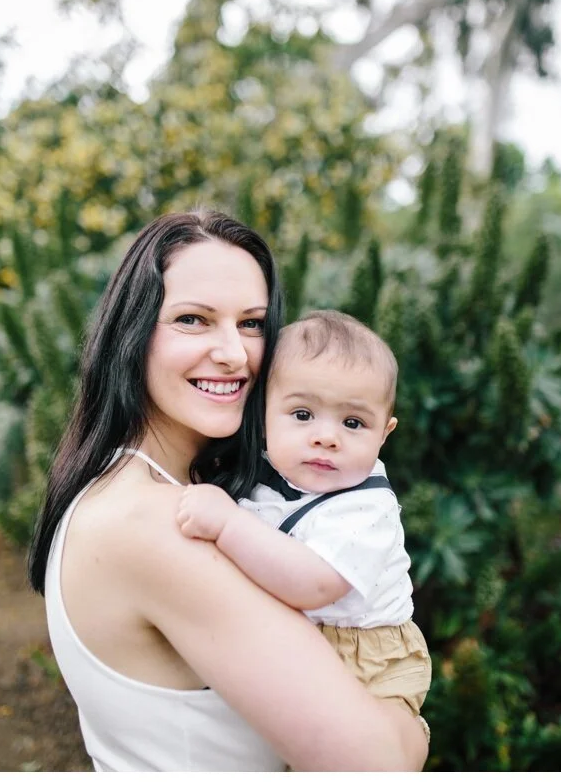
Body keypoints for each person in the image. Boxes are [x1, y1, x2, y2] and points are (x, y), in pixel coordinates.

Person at [27, 210, 427, 771]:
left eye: (253, 323)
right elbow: (375, 763)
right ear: (132, 332)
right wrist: (412, 731)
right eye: (193, 319)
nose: (235, 354)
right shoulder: (154, 523)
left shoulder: (165, 489)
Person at [172, 309, 432, 737]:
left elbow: (314, 584)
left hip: (366, 659)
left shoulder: (365, 509)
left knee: (345, 750)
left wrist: (227, 525)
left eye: (352, 423)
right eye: (302, 415)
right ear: (263, 413)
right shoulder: (266, 474)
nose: (325, 437)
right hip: (297, 643)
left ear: (384, 434)